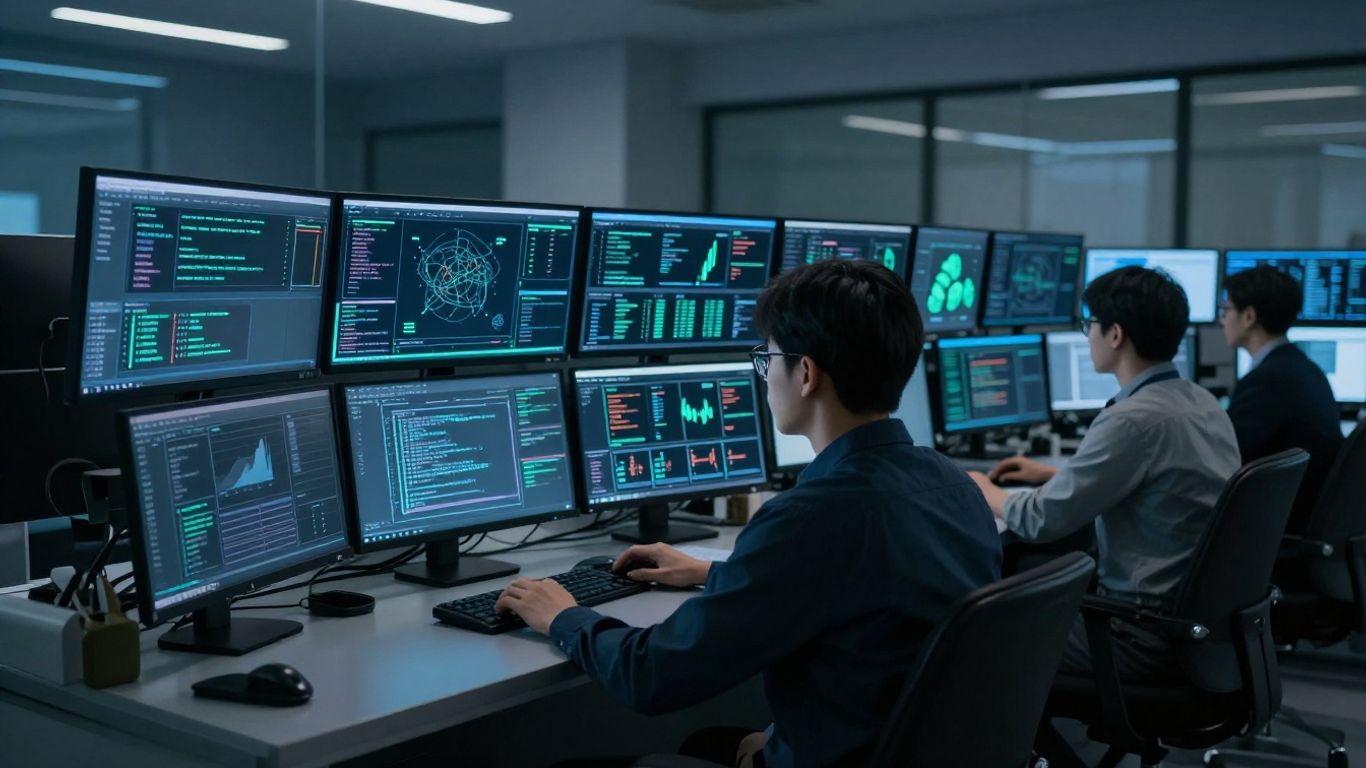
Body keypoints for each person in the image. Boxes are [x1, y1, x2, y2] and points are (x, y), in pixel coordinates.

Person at [495, 260, 1002, 768]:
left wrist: (562, 616)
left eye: (768, 358)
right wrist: (717, 572)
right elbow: (874, 606)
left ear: (805, 374)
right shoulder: (952, 483)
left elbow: (652, 677)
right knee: (707, 743)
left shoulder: (811, 518)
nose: (764, 375)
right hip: (898, 749)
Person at [967, 266, 1239, 682]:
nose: (1087, 334)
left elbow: (1041, 520)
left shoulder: (1134, 420)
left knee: (972, 636)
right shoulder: (1202, 403)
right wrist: (1051, 474)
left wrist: (985, 488)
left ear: (1115, 335)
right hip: (1195, 627)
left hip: (1138, 634)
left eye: (1088, 324)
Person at [1221, 265, 1342, 535]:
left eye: (1226, 310)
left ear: (1249, 316)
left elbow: (1225, 457)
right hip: (1308, 521)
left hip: (1280, 529)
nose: (1222, 320)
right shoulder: (1305, 368)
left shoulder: (1267, 380)